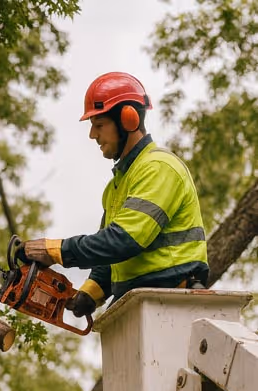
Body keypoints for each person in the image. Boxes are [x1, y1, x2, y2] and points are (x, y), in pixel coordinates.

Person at [19, 71, 209, 317]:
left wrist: (55, 250)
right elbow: (109, 255)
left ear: (128, 120)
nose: (92, 135)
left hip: (172, 299)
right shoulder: (116, 186)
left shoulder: (158, 167)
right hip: (138, 302)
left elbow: (124, 240)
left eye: (99, 125)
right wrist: (90, 292)